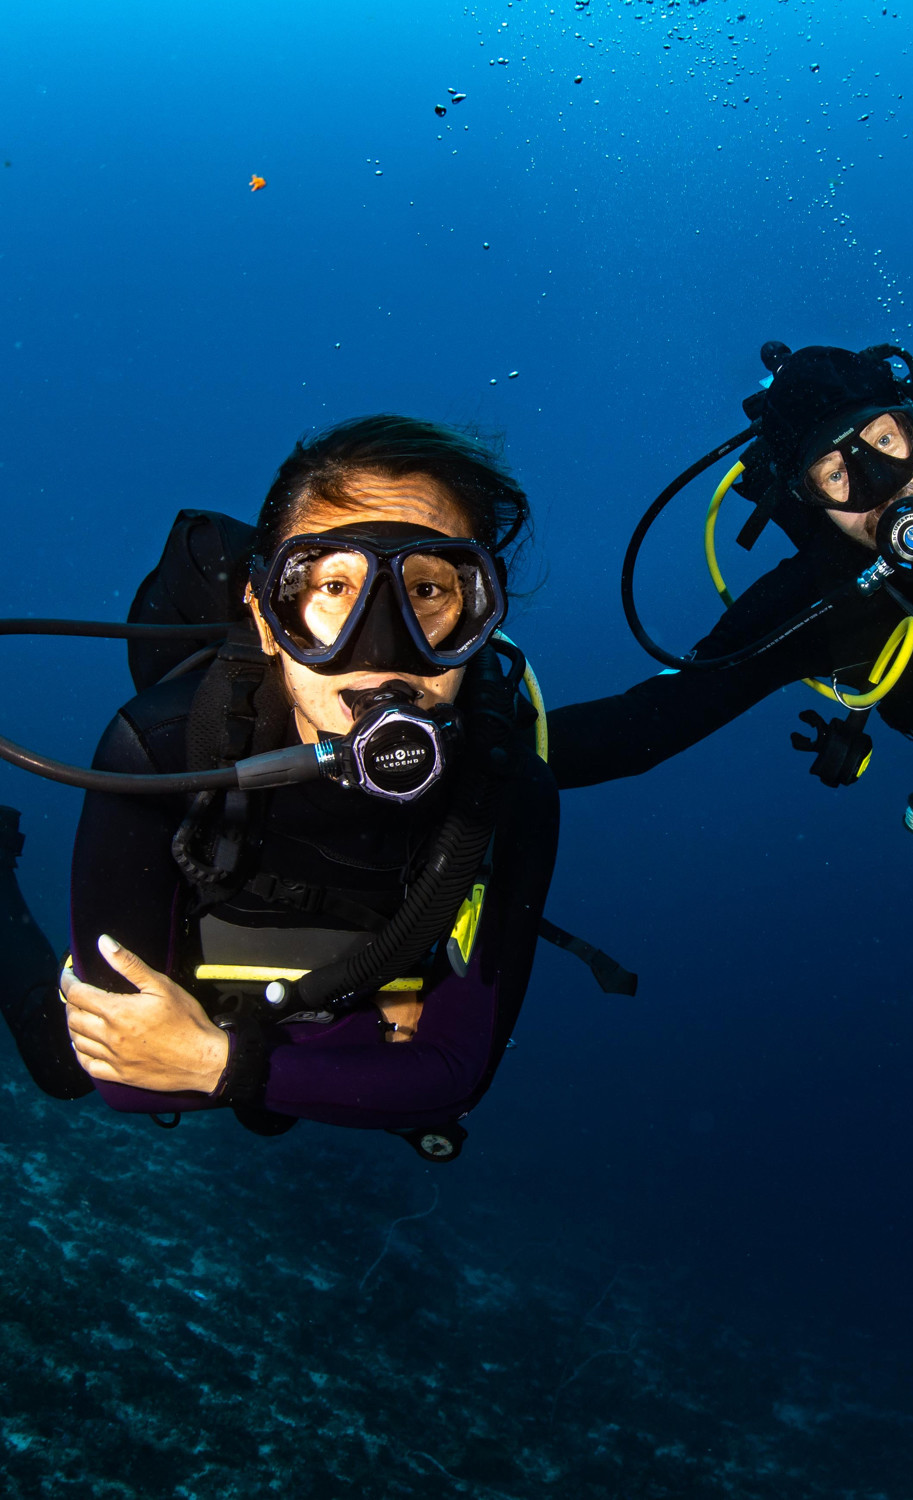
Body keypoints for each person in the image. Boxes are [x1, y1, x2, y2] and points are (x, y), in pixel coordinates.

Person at [1, 416, 559, 1158]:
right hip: (254, 997)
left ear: (480, 620)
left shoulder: (508, 791)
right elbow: (122, 1078)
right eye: (333, 586)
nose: (383, 649)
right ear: (267, 618)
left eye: (429, 588)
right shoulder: (161, 749)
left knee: (271, 1108)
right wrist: (360, 1058)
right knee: (60, 1068)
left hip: (247, 1025)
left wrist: (218, 1062)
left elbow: (456, 1079)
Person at [547, 342, 913, 831]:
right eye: (835, 475)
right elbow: (643, 727)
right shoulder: (818, 601)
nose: (881, 486)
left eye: (885, 440)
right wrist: (484, 737)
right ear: (811, 499)